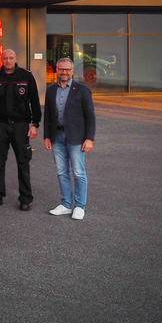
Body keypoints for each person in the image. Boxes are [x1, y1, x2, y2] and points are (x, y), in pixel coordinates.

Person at [0, 49, 41, 210]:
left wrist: (35, 124)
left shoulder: (26, 76)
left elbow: (34, 101)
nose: (8, 60)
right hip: (0, 126)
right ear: (1, 59)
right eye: (5, 58)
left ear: (16, 58)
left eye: (11, 58)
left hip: (21, 126)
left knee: (23, 163)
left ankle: (25, 199)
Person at [43, 57, 96, 220]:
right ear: (57, 70)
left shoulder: (82, 89)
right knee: (61, 172)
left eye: (67, 69)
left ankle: (80, 206)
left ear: (72, 71)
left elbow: (90, 115)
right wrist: (47, 136)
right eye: (61, 69)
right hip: (57, 136)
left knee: (79, 172)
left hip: (76, 137)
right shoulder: (51, 90)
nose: (64, 72)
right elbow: (48, 116)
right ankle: (66, 205)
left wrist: (89, 138)